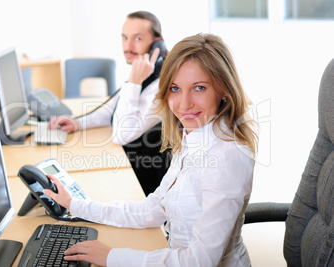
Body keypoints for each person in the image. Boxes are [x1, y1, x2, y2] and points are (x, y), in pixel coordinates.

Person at [44, 33, 258, 266]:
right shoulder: (192, 137)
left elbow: (200, 261)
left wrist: (113, 257)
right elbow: (151, 210)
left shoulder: (227, 156)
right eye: (175, 88)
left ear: (223, 90)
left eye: (199, 88)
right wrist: (75, 204)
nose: (184, 104)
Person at [49, 11, 171, 196]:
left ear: (157, 43)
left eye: (137, 38)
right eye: (124, 37)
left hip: (141, 181)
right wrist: (78, 123)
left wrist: (134, 81)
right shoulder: (146, 74)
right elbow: (111, 109)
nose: (128, 46)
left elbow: (121, 136)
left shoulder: (162, 85)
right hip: (126, 165)